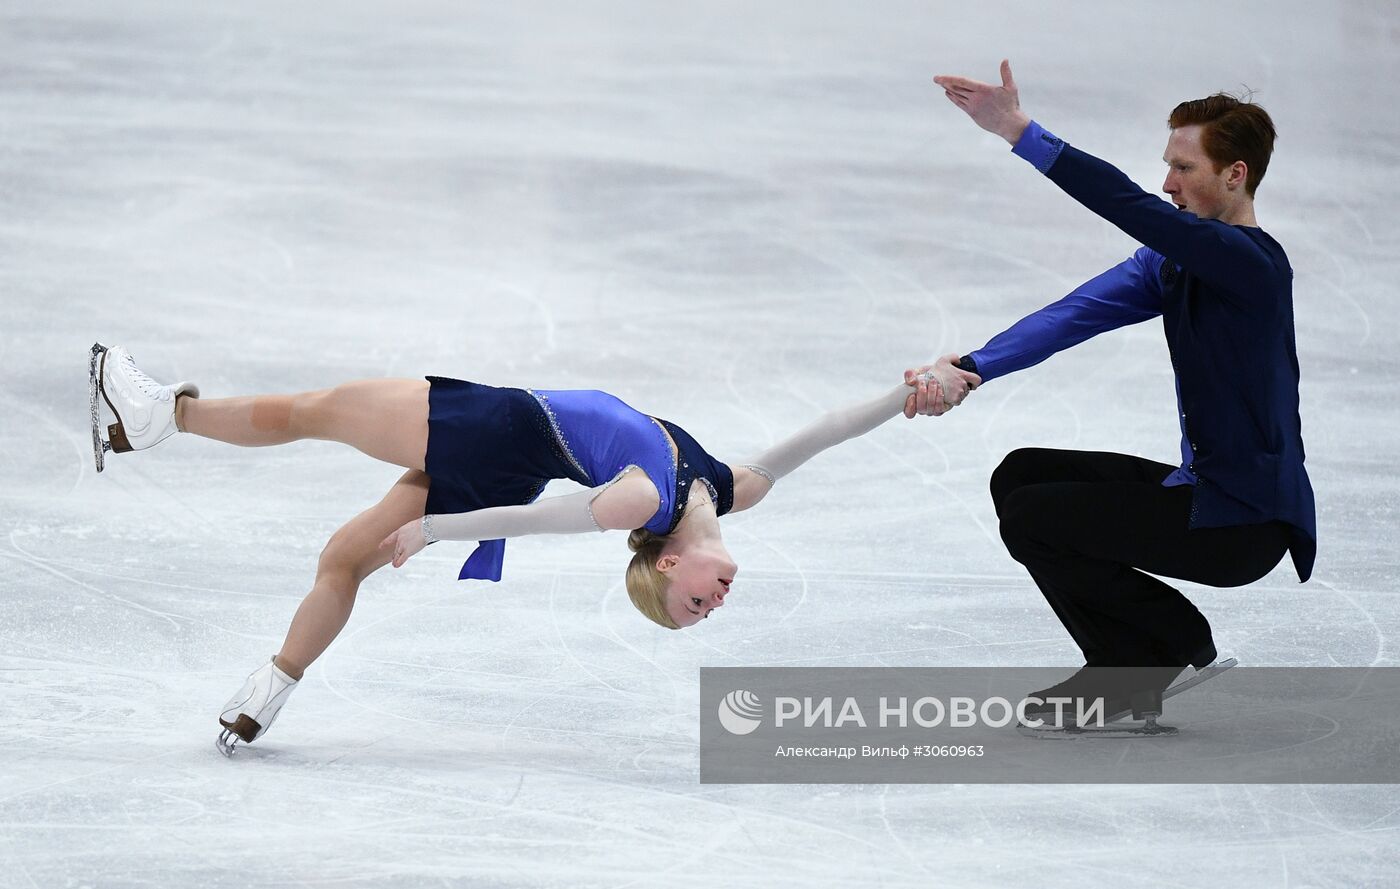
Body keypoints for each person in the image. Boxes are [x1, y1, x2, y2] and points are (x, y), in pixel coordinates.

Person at [89, 342, 963, 753]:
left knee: (309, 411)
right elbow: (828, 432)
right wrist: (908, 392)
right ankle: (271, 686)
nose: (715, 601)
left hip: (494, 424)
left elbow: (542, 522)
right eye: (709, 604)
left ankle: (166, 415)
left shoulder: (645, 499)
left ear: (666, 563)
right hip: (510, 462)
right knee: (344, 556)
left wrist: (435, 528)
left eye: (693, 604)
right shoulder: (733, 486)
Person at [906, 60, 1316, 721]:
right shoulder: (1178, 262)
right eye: (1168, 164)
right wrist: (972, 366)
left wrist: (1018, 130)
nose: (1167, 183)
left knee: (1035, 516)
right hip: (1205, 494)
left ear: (1235, 174)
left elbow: (1126, 203)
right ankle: (1132, 662)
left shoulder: (1249, 264)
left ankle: (1163, 649)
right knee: (1020, 477)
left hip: (1243, 522)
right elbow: (1076, 312)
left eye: (1185, 169)